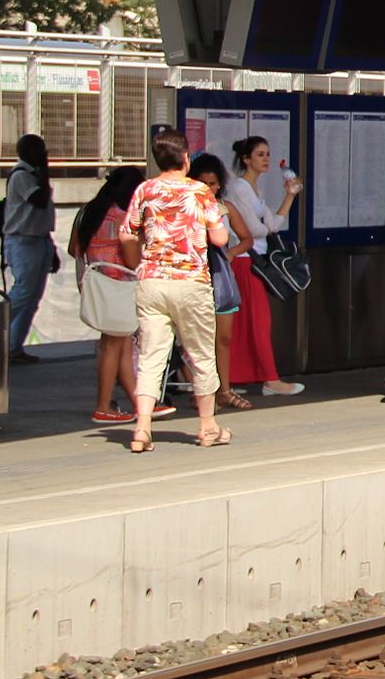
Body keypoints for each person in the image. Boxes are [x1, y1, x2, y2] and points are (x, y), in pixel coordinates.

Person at [118, 134, 233, 452]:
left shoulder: (145, 189)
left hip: (152, 281)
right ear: (184, 158)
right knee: (200, 354)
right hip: (190, 282)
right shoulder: (199, 192)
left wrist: (139, 260)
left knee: (151, 356)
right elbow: (220, 239)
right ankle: (208, 426)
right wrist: (217, 222)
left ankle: (141, 428)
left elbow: (127, 231)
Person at [69, 168, 170, 424]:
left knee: (120, 346)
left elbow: (74, 249)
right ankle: (103, 406)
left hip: (98, 287)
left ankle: (140, 403)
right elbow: (133, 260)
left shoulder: (87, 213)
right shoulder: (125, 218)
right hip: (120, 289)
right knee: (114, 347)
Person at [222, 136, 306, 397]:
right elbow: (256, 228)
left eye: (267, 153)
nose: (266, 159)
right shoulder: (239, 188)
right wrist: (265, 226)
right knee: (257, 321)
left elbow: (273, 224)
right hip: (245, 260)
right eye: (260, 154)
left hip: (253, 259)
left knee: (248, 322)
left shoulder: (255, 190)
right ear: (246, 159)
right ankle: (270, 378)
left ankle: (241, 376)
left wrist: (289, 196)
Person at [191, 153, 256, 410]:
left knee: (224, 337)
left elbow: (246, 238)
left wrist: (229, 253)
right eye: (205, 183)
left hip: (220, 276)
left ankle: (225, 389)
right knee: (197, 338)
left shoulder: (225, 207)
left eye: (215, 183)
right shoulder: (187, 208)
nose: (211, 188)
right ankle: (202, 390)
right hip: (194, 275)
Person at [0, 134, 58, 363]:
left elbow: (41, 215)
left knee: (33, 297)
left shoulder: (33, 175)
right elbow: (40, 200)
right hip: (23, 241)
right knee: (23, 292)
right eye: (41, 151)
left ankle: (14, 347)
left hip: (39, 239)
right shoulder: (22, 176)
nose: (45, 155)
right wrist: (45, 171)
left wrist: (50, 247)